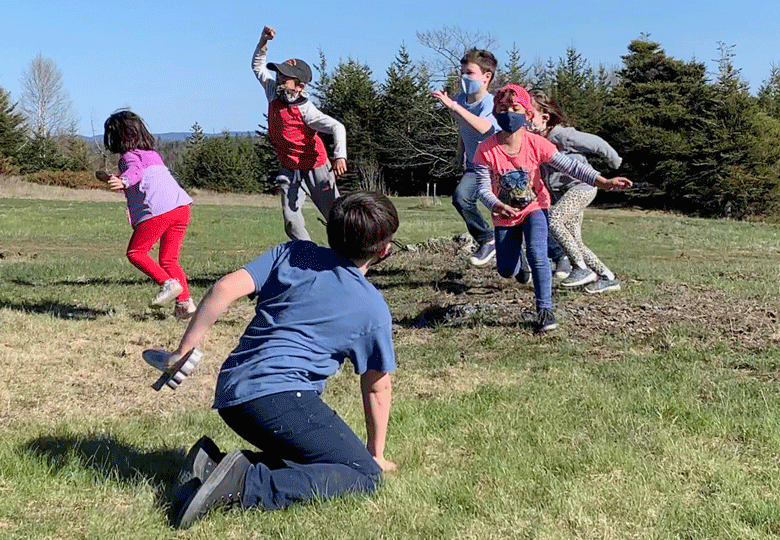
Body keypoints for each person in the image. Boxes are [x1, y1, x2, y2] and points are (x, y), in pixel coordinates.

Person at [165, 192, 399, 529]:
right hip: (279, 400)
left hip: (232, 396)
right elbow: (377, 388)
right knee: (363, 475)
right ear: (384, 250)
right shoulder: (372, 308)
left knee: (318, 460)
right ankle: (242, 484)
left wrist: (184, 348)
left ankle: (213, 467)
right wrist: (374, 456)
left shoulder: (294, 252)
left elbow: (224, 288)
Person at [472, 85, 632, 333]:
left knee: (539, 254)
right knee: (506, 269)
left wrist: (603, 181)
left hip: (536, 207)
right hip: (504, 215)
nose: (509, 114)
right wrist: (497, 204)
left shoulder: (537, 143)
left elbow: (572, 167)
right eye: (502, 109)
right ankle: (519, 265)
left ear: (527, 114)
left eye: (515, 109)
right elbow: (482, 188)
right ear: (495, 112)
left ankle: (545, 310)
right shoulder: (485, 149)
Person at [252, 25, 347, 241]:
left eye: (285, 78)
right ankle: (309, 259)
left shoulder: (307, 111)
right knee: (291, 221)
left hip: (317, 169)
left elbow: (337, 127)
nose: (278, 80)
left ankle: (352, 257)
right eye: (279, 75)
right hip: (289, 168)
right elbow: (257, 67)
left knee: (337, 217)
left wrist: (340, 155)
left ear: (299, 86)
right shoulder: (272, 93)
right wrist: (263, 42)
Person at [102, 109, 196, 319]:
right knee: (169, 259)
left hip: (158, 210)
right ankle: (185, 304)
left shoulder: (128, 157)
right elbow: (143, 174)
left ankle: (168, 284)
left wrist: (124, 181)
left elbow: (134, 172)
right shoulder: (152, 154)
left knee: (136, 253)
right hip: (181, 207)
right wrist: (121, 179)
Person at [530, 90, 624, 293]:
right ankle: (607, 277)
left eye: (529, 115)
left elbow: (597, 143)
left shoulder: (563, 136)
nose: (524, 120)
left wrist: (615, 162)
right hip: (564, 194)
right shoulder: (535, 141)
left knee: (554, 218)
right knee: (575, 242)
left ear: (545, 118)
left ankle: (581, 268)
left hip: (582, 186)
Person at [432, 48, 500, 267]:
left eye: (469, 73)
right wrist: (460, 155)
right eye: (462, 72)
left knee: (515, 213)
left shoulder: (490, 103)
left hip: (497, 167)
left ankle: (556, 255)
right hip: (474, 165)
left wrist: (453, 106)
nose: (464, 78)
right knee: (461, 198)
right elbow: (464, 129)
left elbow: (483, 128)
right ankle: (486, 239)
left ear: (486, 77)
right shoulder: (461, 99)